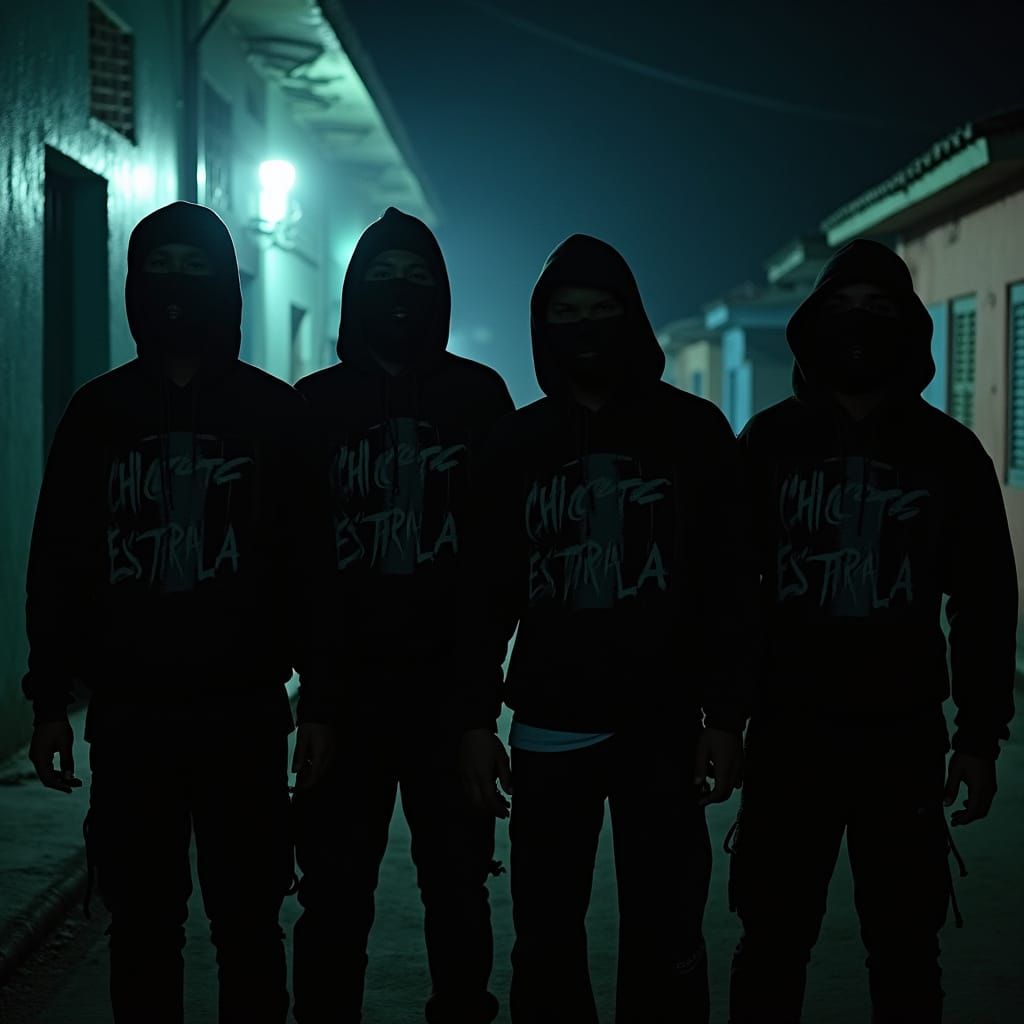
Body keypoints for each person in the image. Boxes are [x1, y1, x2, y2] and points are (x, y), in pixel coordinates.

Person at [23, 201, 338, 1024]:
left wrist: (323, 706)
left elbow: (314, 570)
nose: (177, 284)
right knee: (141, 926)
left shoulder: (276, 415)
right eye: (160, 265)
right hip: (129, 721)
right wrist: (48, 698)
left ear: (228, 285)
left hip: (244, 715)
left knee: (249, 924)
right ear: (134, 282)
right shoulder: (99, 415)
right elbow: (58, 557)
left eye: (197, 267)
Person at [457, 233, 758, 1024]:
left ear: (632, 317)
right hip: (552, 725)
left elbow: (731, 585)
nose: (585, 327)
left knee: (668, 933)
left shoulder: (694, 433)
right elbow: (483, 595)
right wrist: (473, 719)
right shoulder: (516, 444)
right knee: (546, 937)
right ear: (541, 326)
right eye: (566, 313)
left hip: (665, 722)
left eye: (602, 310)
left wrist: (726, 716)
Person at [726, 238, 1018, 1024]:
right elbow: (730, 593)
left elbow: (986, 599)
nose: (859, 323)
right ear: (812, 324)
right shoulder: (767, 444)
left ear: (911, 328)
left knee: (905, 947)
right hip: (789, 735)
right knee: (772, 940)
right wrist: (723, 720)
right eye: (842, 308)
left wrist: (981, 735)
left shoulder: (949, 453)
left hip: (903, 738)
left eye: (880, 309)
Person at [291, 206, 515, 1024]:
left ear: (442, 293)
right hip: (343, 702)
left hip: (448, 700)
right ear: (354, 290)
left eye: (419, 277)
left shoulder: (480, 399)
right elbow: (300, 562)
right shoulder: (313, 406)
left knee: (459, 888)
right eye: (383, 275)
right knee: (332, 896)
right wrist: (314, 701)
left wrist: (478, 713)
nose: (401, 291)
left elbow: (498, 568)